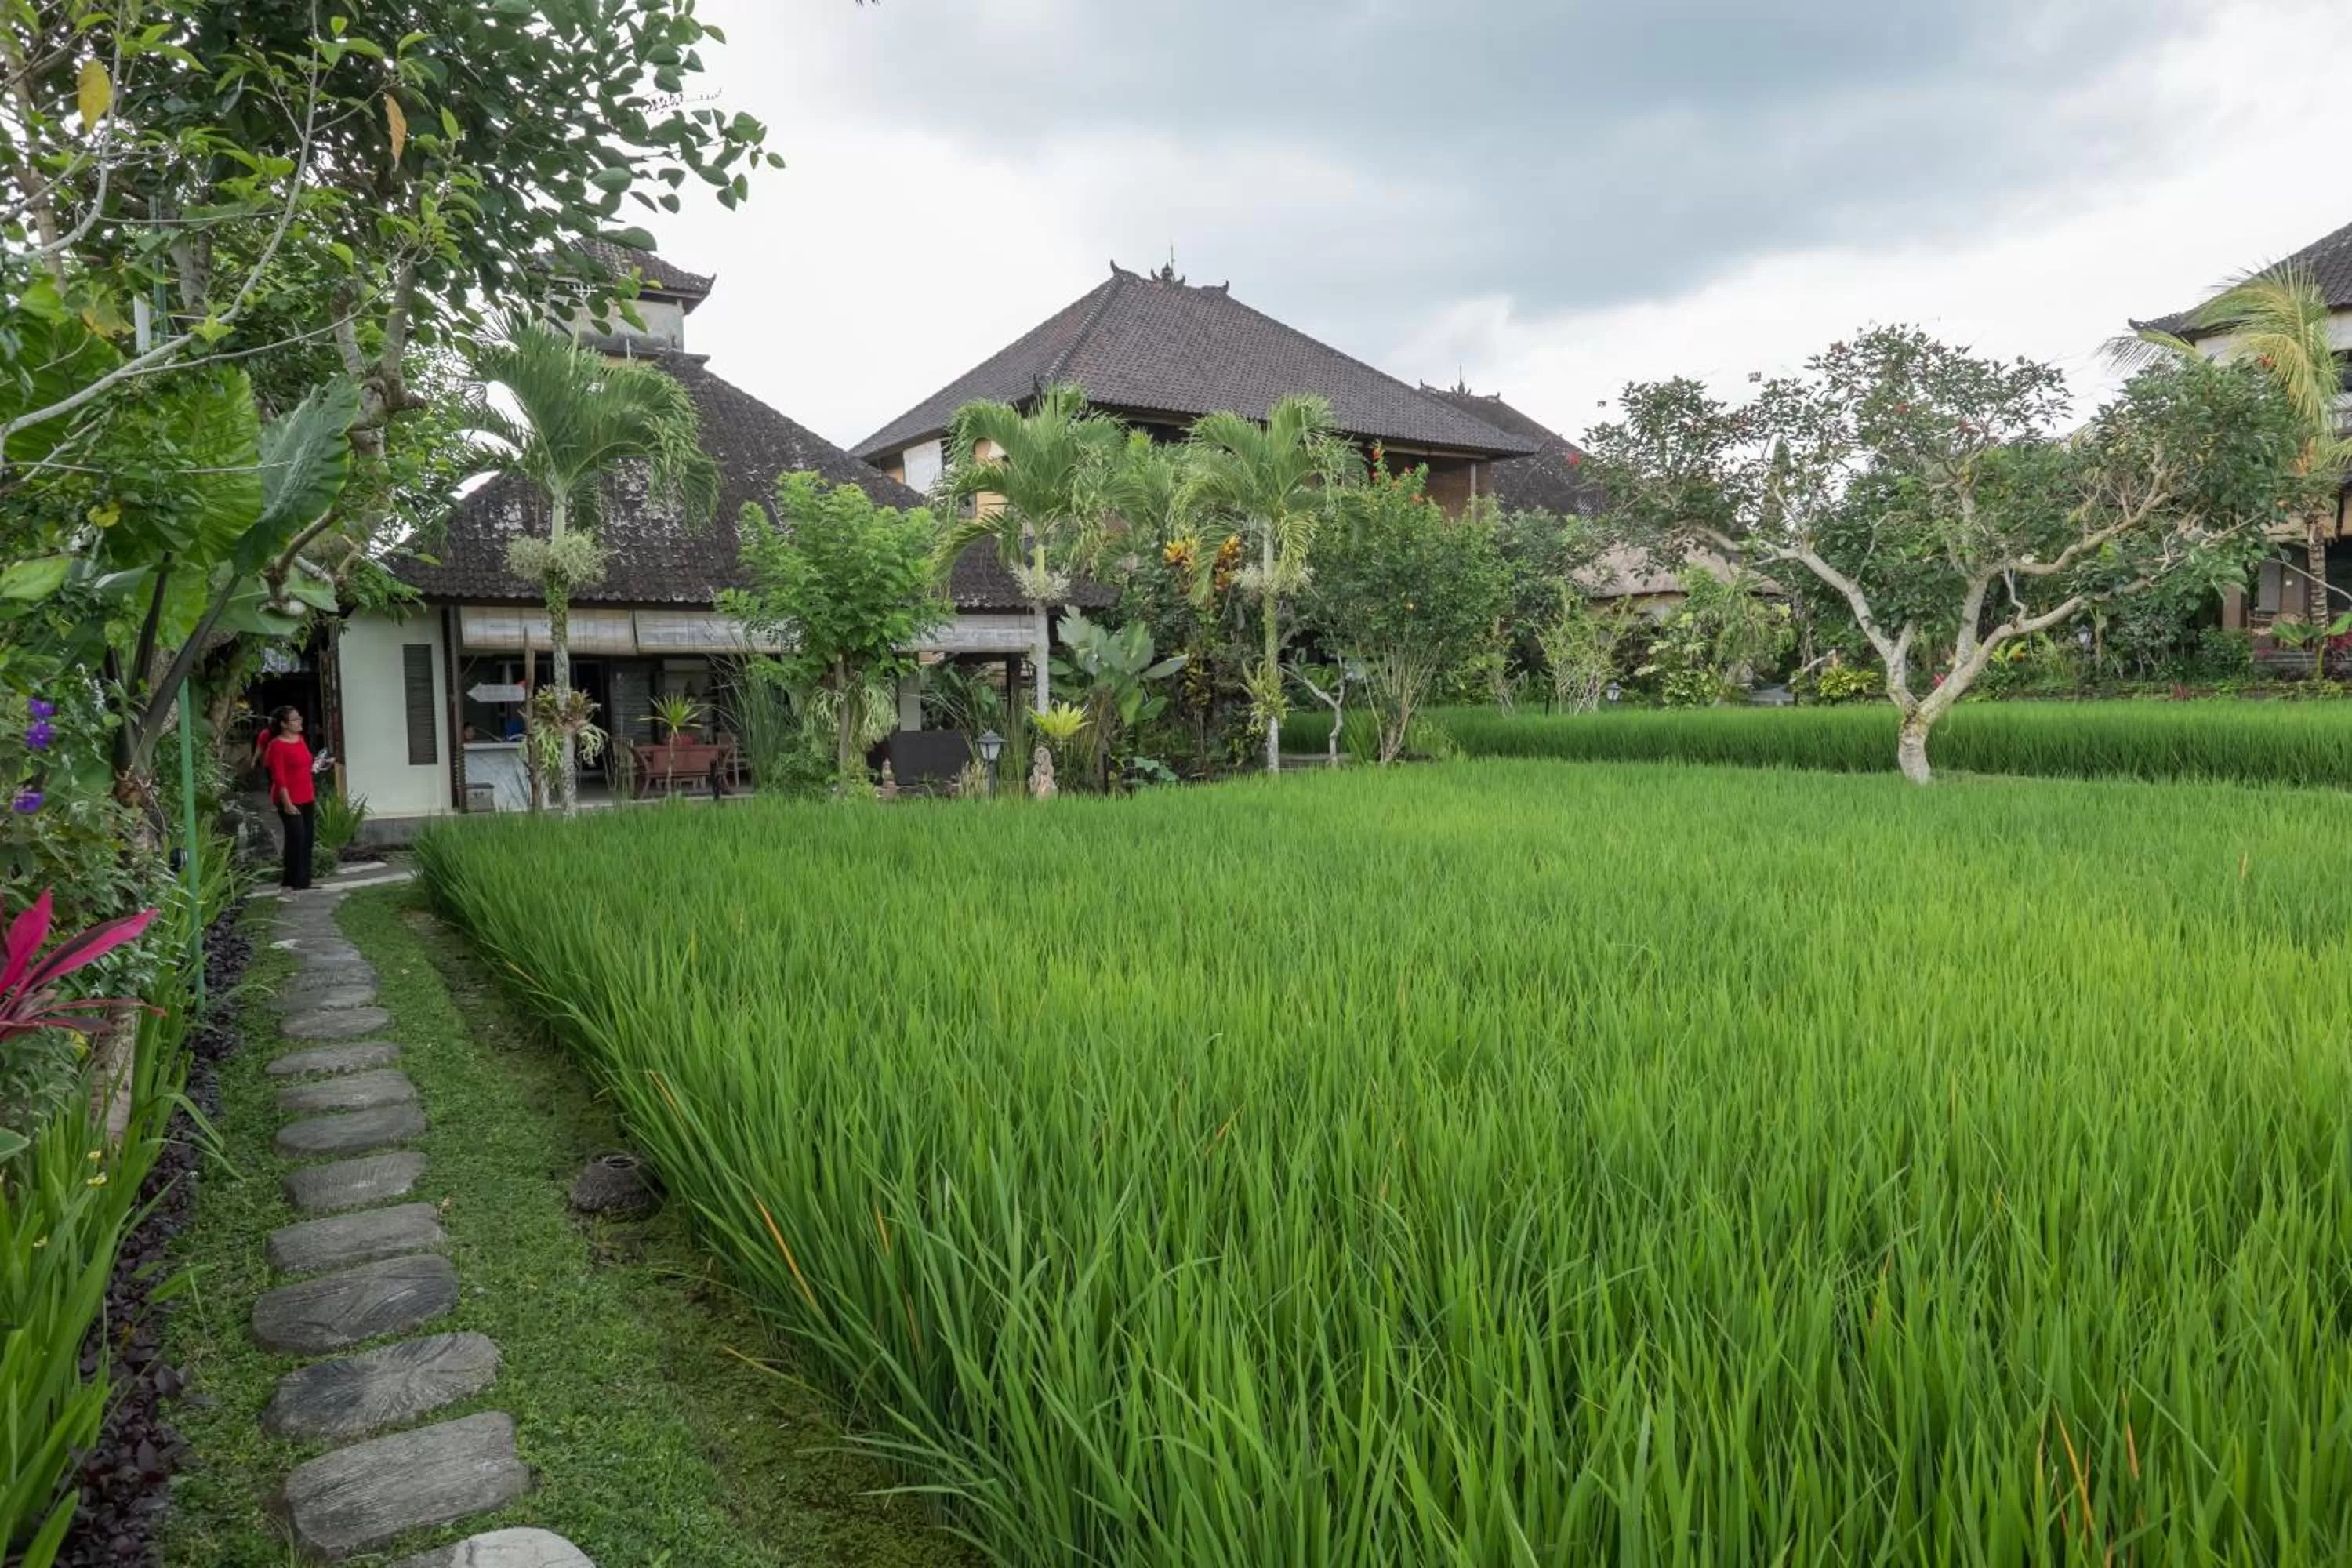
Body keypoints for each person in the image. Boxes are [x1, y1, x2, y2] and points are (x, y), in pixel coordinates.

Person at [262, 706, 318, 891]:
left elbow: (305, 764)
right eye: (295, 719)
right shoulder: (276, 745)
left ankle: (303, 881)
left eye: (299, 717)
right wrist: (287, 802)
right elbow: (279, 777)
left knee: (307, 839)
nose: (299, 721)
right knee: (297, 838)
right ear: (284, 724)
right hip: (289, 798)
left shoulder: (300, 740)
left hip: (307, 795)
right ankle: (292, 881)